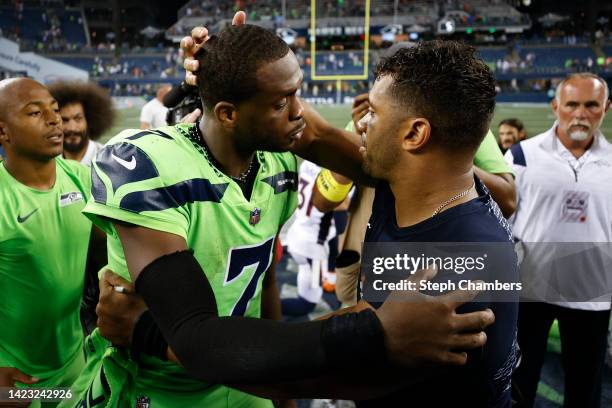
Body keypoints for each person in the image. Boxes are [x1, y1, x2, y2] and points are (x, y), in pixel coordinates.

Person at [70, 23, 495, 408]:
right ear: (229, 113)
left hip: (248, 377)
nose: (299, 112)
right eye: (282, 102)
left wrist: (369, 336)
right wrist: (226, 68)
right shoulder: (148, 163)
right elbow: (202, 333)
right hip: (160, 389)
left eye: (298, 95)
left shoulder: (278, 166)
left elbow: (266, 280)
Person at [506, 73, 612, 408]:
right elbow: (501, 223)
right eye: (572, 105)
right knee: (518, 383)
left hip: (592, 295)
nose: (581, 114)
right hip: (530, 290)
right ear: (556, 107)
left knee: (584, 388)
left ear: (606, 108)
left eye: (591, 105)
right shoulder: (522, 156)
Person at [0, 78, 98, 405]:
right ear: (3, 132)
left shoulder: (82, 179)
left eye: (54, 110)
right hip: (15, 376)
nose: (54, 119)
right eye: (35, 113)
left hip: (75, 362)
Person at [282, 159, 350, 316]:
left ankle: (328, 277)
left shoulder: (307, 164)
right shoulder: (330, 180)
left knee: (329, 241)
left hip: (297, 236)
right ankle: (262, 309)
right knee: (307, 304)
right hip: (312, 251)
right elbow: (342, 212)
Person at [47, 80, 115, 166]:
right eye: (64, 120)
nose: (72, 128)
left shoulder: (109, 161)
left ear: (89, 120)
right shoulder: (48, 163)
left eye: (78, 119)